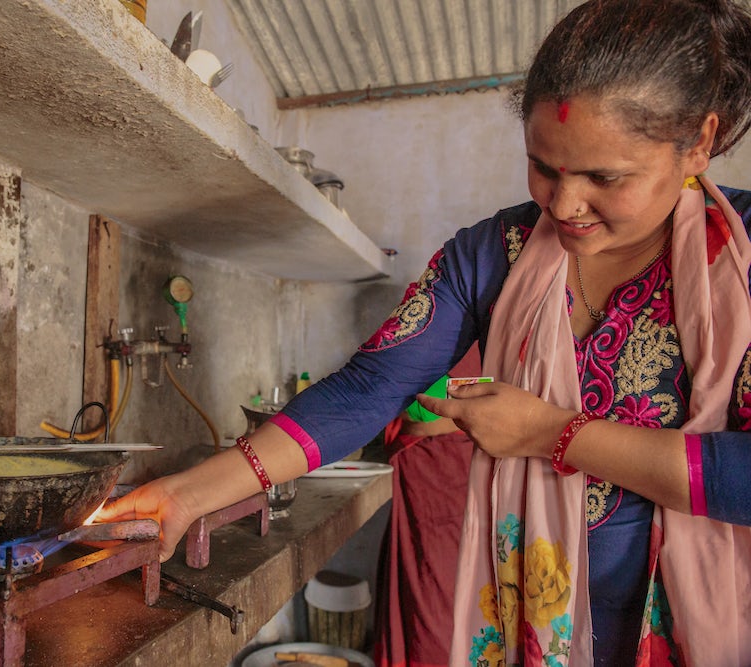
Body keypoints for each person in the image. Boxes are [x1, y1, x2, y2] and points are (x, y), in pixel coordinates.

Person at [97, 0, 751, 663]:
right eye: (543, 165)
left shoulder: (743, 261)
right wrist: (184, 495)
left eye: (604, 177)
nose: (563, 203)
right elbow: (370, 387)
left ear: (698, 141)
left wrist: (550, 433)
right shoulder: (493, 252)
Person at [373, 347, 479, 667]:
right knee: (423, 599)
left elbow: (426, 419)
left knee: (439, 614)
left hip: (452, 479)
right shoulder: (428, 316)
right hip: (431, 482)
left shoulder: (487, 321)